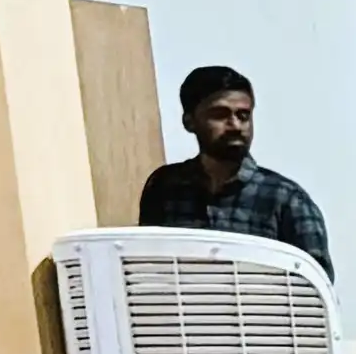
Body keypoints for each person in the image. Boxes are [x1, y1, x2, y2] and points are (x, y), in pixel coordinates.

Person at [133, 65, 330, 271]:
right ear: (189, 122)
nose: (235, 125)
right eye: (220, 114)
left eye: (243, 115)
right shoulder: (164, 187)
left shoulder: (286, 199)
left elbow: (315, 283)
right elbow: (148, 266)